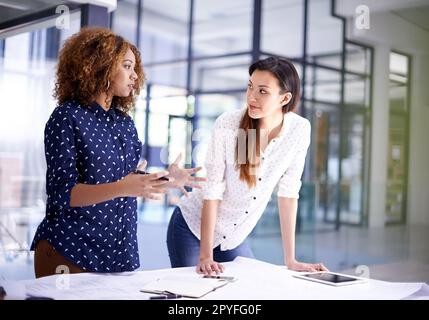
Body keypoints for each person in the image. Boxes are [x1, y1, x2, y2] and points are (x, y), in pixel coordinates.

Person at [31, 27, 204, 278]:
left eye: (135, 69)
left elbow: (127, 179)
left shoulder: (124, 122)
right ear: (99, 65)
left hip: (119, 254)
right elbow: (62, 194)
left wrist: (166, 179)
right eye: (126, 66)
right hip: (71, 250)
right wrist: (125, 186)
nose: (134, 76)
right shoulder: (66, 117)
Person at [167, 57, 328, 275]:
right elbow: (213, 191)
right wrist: (206, 256)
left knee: (248, 290)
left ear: (285, 98)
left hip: (234, 236)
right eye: (250, 87)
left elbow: (289, 193)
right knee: (195, 294)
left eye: (263, 91)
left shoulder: (299, 130)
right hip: (192, 228)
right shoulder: (229, 124)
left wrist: (291, 260)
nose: (251, 97)